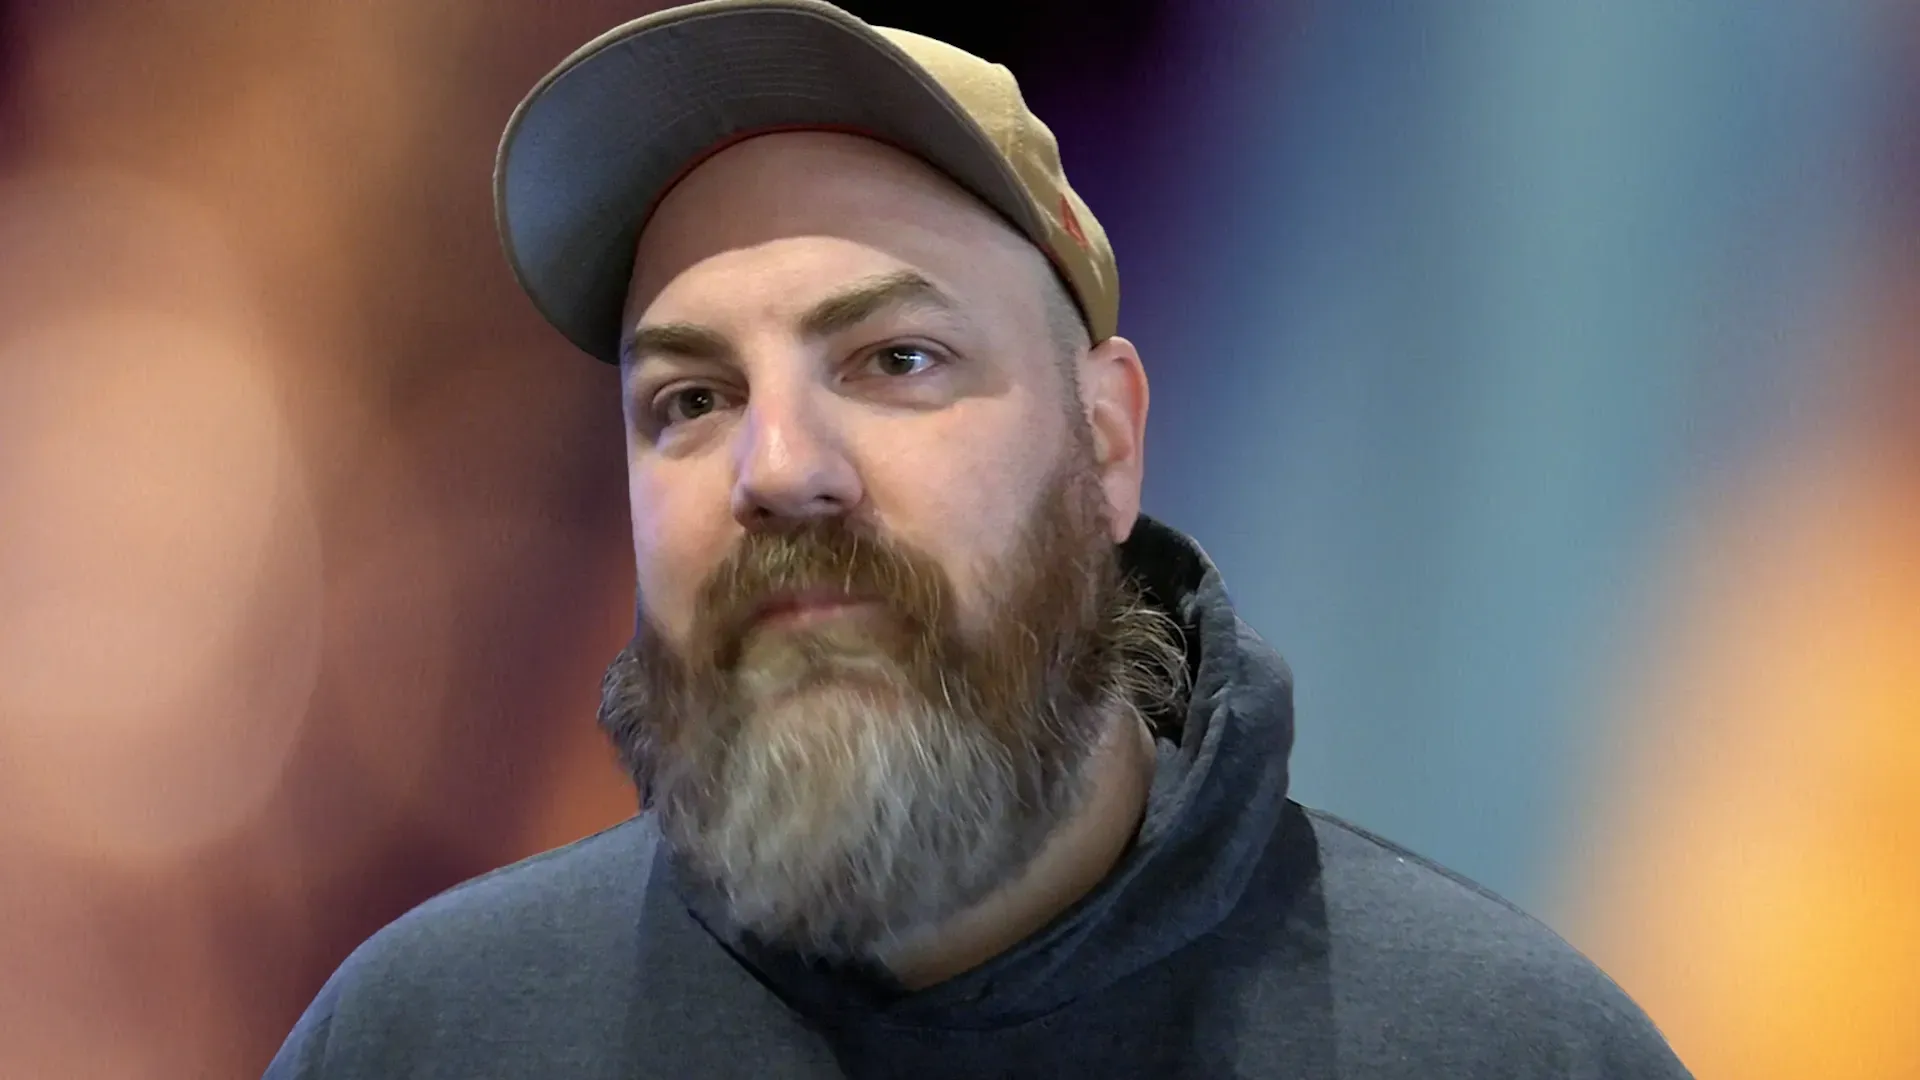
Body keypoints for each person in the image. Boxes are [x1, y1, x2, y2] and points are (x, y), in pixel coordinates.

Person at [265, 1, 1693, 1076]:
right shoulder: (421, 1040)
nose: (780, 468)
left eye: (896, 360)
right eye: (691, 399)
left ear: (1108, 443)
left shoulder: (1512, 1051)